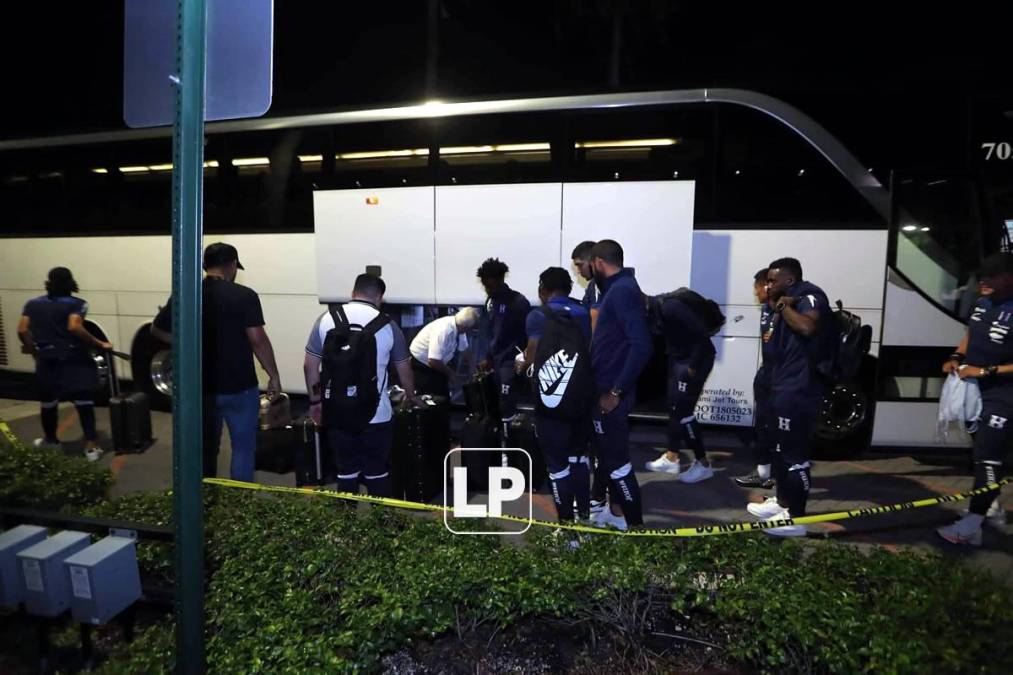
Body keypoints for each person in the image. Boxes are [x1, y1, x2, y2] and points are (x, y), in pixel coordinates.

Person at [152, 242, 282, 481]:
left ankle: (206, 501)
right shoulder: (245, 296)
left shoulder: (186, 294)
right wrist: (273, 374)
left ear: (205, 266)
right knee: (243, 448)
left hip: (202, 387)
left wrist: (187, 343)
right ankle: (239, 502)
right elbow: (258, 340)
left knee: (206, 448)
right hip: (240, 386)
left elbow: (157, 330)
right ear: (232, 266)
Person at [303, 273, 422, 498]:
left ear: (352, 293)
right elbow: (404, 368)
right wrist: (411, 394)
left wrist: (315, 401)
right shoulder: (388, 325)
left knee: (346, 472)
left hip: (336, 411)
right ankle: (382, 527)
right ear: (380, 297)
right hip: (377, 414)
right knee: (377, 473)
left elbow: (310, 366)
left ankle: (346, 527)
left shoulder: (326, 319)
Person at [744, 257, 830, 537]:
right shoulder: (783, 302)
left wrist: (782, 307)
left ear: (789, 280)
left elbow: (807, 327)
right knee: (780, 450)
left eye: (772, 281)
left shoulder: (810, 296)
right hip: (779, 386)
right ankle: (782, 503)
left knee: (795, 456)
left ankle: (796, 519)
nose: (767, 286)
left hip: (799, 390)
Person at [937, 252, 1013, 546]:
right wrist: (957, 356)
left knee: (988, 457)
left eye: (992, 275)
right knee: (979, 449)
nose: (984, 280)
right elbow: (972, 332)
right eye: (982, 275)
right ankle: (989, 506)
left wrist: (986, 370)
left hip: (1003, 395)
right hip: (972, 391)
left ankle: (971, 525)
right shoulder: (983, 303)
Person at [518, 267, 593, 523]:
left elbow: (532, 354)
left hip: (552, 401)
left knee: (557, 467)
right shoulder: (584, 313)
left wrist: (523, 363)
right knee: (578, 458)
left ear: (543, 289)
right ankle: (585, 519)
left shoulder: (538, 316)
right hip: (582, 397)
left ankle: (567, 530)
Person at [587, 240, 652, 530]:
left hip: (610, 395)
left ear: (599, 262)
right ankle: (615, 514)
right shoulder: (618, 289)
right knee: (606, 458)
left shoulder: (623, 291)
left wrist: (615, 392)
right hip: (604, 391)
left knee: (618, 463)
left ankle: (635, 528)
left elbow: (642, 346)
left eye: (588, 264)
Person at [17, 267, 112, 462]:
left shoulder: (33, 304)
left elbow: (22, 329)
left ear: (49, 282)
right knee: (84, 403)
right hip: (74, 358)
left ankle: (51, 442)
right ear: (71, 283)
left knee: (48, 403)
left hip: (47, 359)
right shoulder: (77, 304)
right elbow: (74, 326)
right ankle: (91, 447)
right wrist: (99, 343)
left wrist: (32, 348)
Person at [645, 290, 719, 483]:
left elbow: (702, 335)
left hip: (693, 362)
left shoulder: (670, 307)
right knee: (674, 407)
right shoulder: (656, 311)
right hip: (679, 359)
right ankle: (672, 457)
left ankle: (704, 465)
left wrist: (693, 367)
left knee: (684, 412)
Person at [476, 258, 531, 438]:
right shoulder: (490, 302)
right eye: (485, 286)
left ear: (501, 280)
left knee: (507, 403)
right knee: (495, 403)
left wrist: (524, 358)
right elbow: (491, 333)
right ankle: (499, 443)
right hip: (496, 361)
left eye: (491, 286)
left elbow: (528, 335)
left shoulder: (518, 302)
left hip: (510, 361)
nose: (488, 290)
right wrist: (487, 357)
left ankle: (511, 447)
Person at [734, 267, 777, 489]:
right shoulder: (766, 309)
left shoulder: (785, 311)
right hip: (766, 374)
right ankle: (763, 473)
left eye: (757, 288)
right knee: (761, 426)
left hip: (779, 379)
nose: (756, 293)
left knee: (773, 427)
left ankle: (774, 477)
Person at [409, 307, 480, 397]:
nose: (470, 331)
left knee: (443, 392)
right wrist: (451, 374)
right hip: (422, 364)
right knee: (435, 396)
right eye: (470, 329)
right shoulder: (443, 331)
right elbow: (433, 360)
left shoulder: (460, 326)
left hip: (437, 361)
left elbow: (464, 349)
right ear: (465, 327)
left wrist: (472, 367)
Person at [571, 241, 600, 309]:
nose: (578, 271)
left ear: (593, 261)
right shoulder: (592, 286)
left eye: (580, 265)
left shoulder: (617, 288)